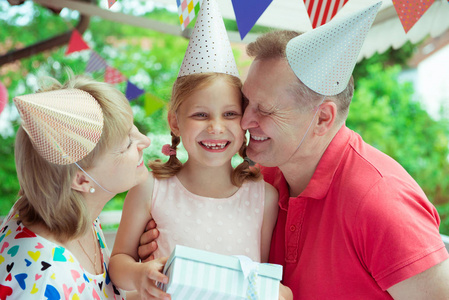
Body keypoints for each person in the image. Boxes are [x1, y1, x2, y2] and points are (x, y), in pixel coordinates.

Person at [139, 2, 449, 299]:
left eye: (266, 111)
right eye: (246, 103)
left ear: (323, 118)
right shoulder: (261, 178)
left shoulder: (381, 202)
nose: (245, 121)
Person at [108, 0, 289, 299]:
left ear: (245, 121)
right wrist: (140, 274)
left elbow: (263, 274)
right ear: (175, 122)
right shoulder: (149, 189)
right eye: (201, 115)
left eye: (230, 114)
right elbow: (118, 264)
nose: (216, 127)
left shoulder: (264, 197)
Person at [0, 74, 170, 299]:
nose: (145, 141)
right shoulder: (41, 283)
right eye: (128, 143)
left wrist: (144, 283)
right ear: (81, 180)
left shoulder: (75, 211)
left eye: (134, 128)